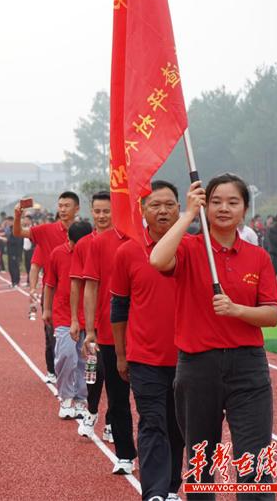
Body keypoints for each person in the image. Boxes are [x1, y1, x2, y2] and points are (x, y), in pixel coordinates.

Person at [150, 174, 277, 497]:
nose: (224, 208)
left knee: (254, 460)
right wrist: (188, 215)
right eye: (216, 201)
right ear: (205, 205)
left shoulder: (258, 257)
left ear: (245, 209)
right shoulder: (191, 248)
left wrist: (237, 310)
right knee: (201, 457)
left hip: (248, 368)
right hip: (198, 367)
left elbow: (269, 315)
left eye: (233, 202)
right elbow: (157, 259)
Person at [111, 180, 184, 501]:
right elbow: (119, 307)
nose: (163, 211)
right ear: (142, 210)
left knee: (178, 426)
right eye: (155, 205)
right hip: (145, 358)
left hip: (188, 356)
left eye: (169, 204)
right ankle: (153, 493)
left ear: (180, 208)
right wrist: (121, 354)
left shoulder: (192, 248)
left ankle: (170, 487)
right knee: (152, 423)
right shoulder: (128, 250)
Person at [81, 215, 138, 474]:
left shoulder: (158, 242)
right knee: (117, 399)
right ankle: (125, 454)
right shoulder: (101, 242)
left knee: (158, 402)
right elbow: (90, 287)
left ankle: (160, 458)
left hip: (151, 335)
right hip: (110, 333)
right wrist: (90, 329)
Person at [14, 191, 80, 384]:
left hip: (81, 292)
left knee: (82, 334)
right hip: (54, 293)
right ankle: (55, 371)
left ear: (77, 209)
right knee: (53, 335)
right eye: (60, 206)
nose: (63, 209)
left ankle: (77, 373)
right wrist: (18, 216)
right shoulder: (46, 231)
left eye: (67, 206)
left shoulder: (84, 231)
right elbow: (18, 233)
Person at [68, 191, 112, 438]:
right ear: (91, 212)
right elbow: (77, 284)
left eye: (107, 211)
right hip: (92, 323)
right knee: (94, 371)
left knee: (118, 376)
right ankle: (92, 410)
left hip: (119, 322)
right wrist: (75, 319)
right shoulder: (85, 244)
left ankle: (112, 421)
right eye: (98, 211)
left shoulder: (125, 241)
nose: (102, 215)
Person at [42, 221, 92, 419]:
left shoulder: (93, 253)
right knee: (66, 355)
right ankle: (66, 397)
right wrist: (46, 309)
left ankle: (81, 399)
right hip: (63, 314)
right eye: (73, 245)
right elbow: (49, 283)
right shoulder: (58, 254)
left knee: (84, 360)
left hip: (88, 316)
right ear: (68, 240)